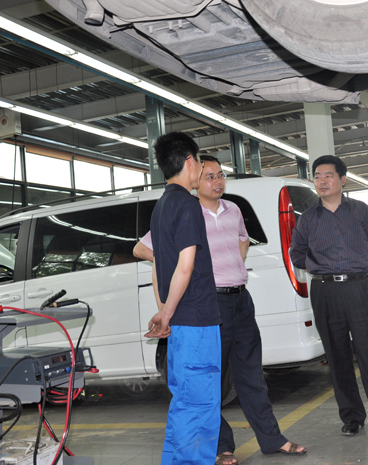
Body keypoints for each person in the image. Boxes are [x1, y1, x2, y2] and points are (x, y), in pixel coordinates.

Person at [134, 156, 306, 464]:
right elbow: (141, 248)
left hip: (240, 300)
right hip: (209, 304)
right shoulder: (187, 211)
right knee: (210, 381)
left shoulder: (233, 210)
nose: (217, 181)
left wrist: (233, 266)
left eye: (220, 175)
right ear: (195, 179)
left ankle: (272, 439)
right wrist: (178, 265)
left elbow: (243, 241)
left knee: (252, 375)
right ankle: (221, 445)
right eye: (209, 176)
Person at [290, 155, 368, 437]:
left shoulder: (360, 211)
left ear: (342, 180)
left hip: (358, 288)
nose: (322, 181)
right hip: (324, 291)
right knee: (337, 355)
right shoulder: (308, 218)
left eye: (328, 175)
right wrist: (321, 269)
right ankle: (352, 416)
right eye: (317, 176)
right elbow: (297, 253)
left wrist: (361, 271)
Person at [145, 132, 222, 464]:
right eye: (201, 162)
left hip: (180, 324)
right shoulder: (188, 206)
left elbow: (158, 264)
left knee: (183, 404)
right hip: (197, 322)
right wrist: (166, 313)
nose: (202, 169)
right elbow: (185, 266)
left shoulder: (161, 206)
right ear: (190, 161)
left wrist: (165, 310)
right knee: (200, 408)